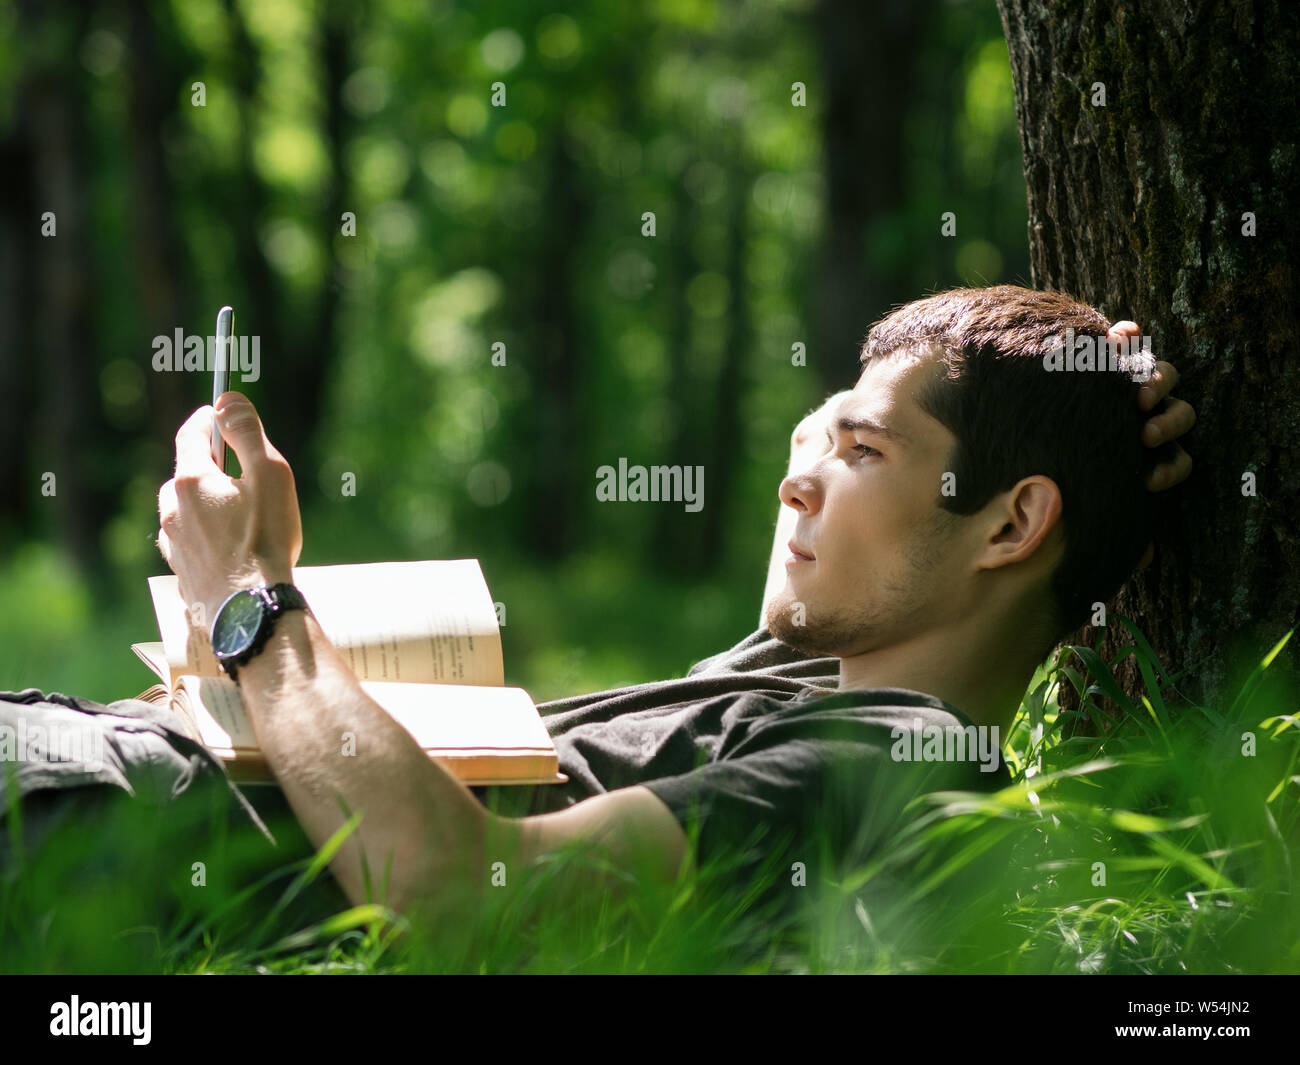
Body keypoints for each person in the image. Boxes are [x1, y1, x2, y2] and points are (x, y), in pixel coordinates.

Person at [2, 285, 1195, 929]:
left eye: (861, 451)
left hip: (87, 822)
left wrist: (249, 601)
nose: (792, 478)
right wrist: (1093, 382)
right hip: (77, 770)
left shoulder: (898, 759)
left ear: (1007, 526)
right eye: (808, 443)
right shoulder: (807, 673)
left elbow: (458, 898)